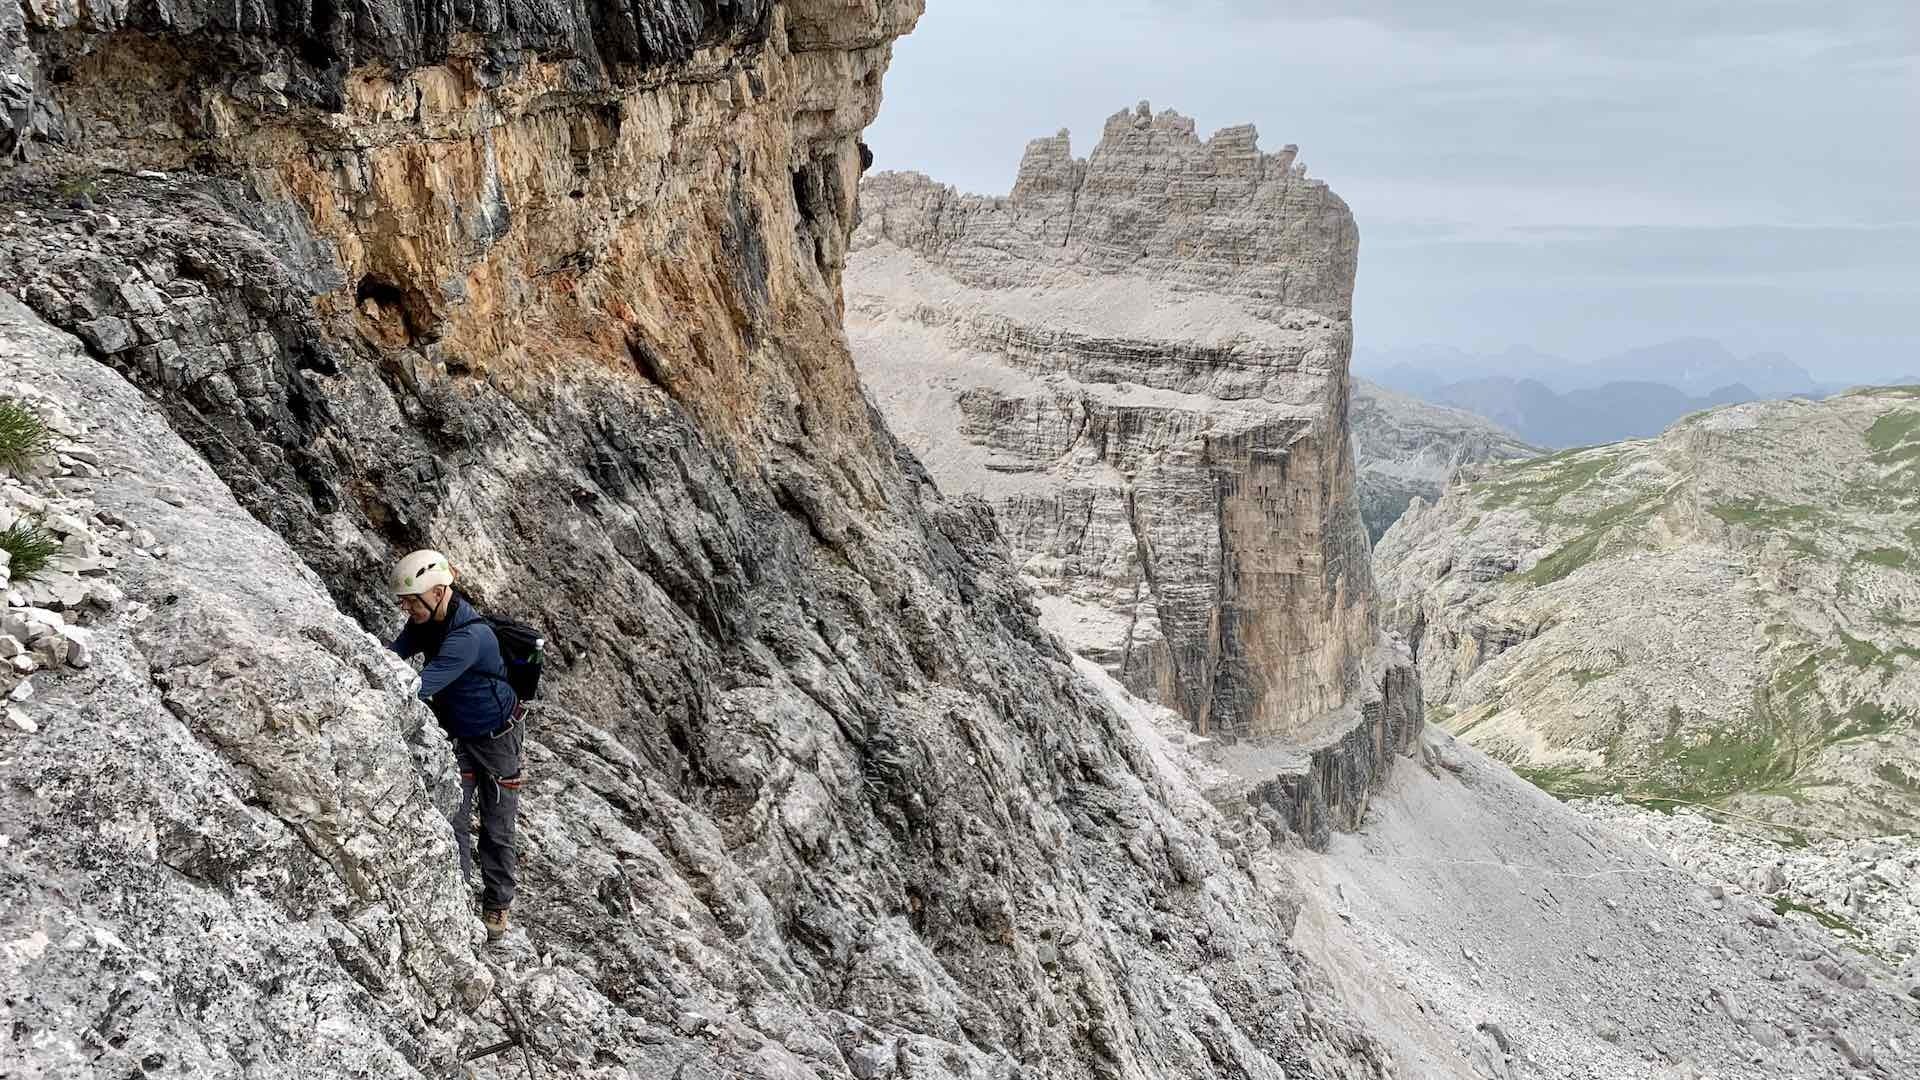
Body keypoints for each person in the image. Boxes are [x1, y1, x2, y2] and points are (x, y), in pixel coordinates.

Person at [389, 549, 523, 942]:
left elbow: (420, 686)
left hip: (498, 741)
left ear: (437, 592)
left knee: (497, 827)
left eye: (412, 600)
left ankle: (497, 904)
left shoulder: (470, 637)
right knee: (455, 819)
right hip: (462, 735)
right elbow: (391, 657)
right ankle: (460, 898)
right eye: (404, 601)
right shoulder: (426, 623)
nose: (406, 608)